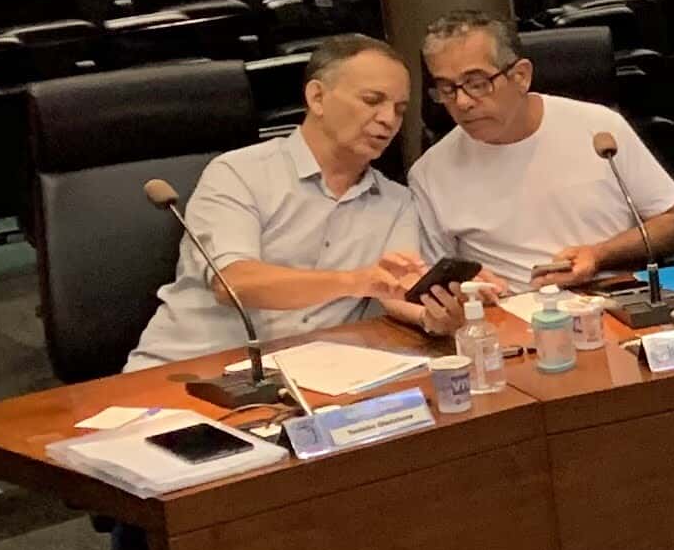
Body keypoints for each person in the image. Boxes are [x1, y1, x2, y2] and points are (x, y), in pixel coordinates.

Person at [126, 32, 451, 367]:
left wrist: (436, 314)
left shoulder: (396, 201)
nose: (388, 119)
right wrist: (355, 281)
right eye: (372, 101)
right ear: (317, 97)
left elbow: (397, 291)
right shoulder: (238, 173)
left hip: (312, 372)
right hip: (190, 368)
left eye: (399, 109)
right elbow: (234, 283)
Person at [408, 12, 674, 289]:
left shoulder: (599, 129)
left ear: (520, 76)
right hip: (508, 311)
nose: (462, 103)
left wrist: (599, 255)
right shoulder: (430, 172)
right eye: (446, 89)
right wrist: (467, 287)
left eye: (477, 84)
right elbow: (435, 279)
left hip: (610, 298)